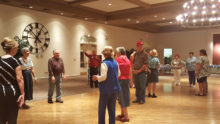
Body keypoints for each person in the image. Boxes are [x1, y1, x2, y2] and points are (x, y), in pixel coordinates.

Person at [92, 46, 121, 124]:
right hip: (114, 90)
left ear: (104, 54)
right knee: (112, 110)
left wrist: (96, 77)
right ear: (111, 54)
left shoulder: (104, 63)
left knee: (102, 110)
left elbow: (103, 77)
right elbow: (119, 74)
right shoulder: (116, 63)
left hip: (105, 90)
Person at [0, 37, 24, 124]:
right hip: (12, 92)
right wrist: (23, 94)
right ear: (13, 49)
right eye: (17, 48)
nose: (17, 50)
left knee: (1, 117)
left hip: (1, 92)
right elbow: (20, 79)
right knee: (12, 116)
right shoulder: (15, 61)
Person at [115, 47, 131, 122]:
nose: (116, 54)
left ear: (119, 53)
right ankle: (122, 114)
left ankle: (126, 116)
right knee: (124, 96)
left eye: (116, 52)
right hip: (126, 79)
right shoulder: (127, 59)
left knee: (121, 97)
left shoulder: (118, 59)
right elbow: (130, 70)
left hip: (120, 80)